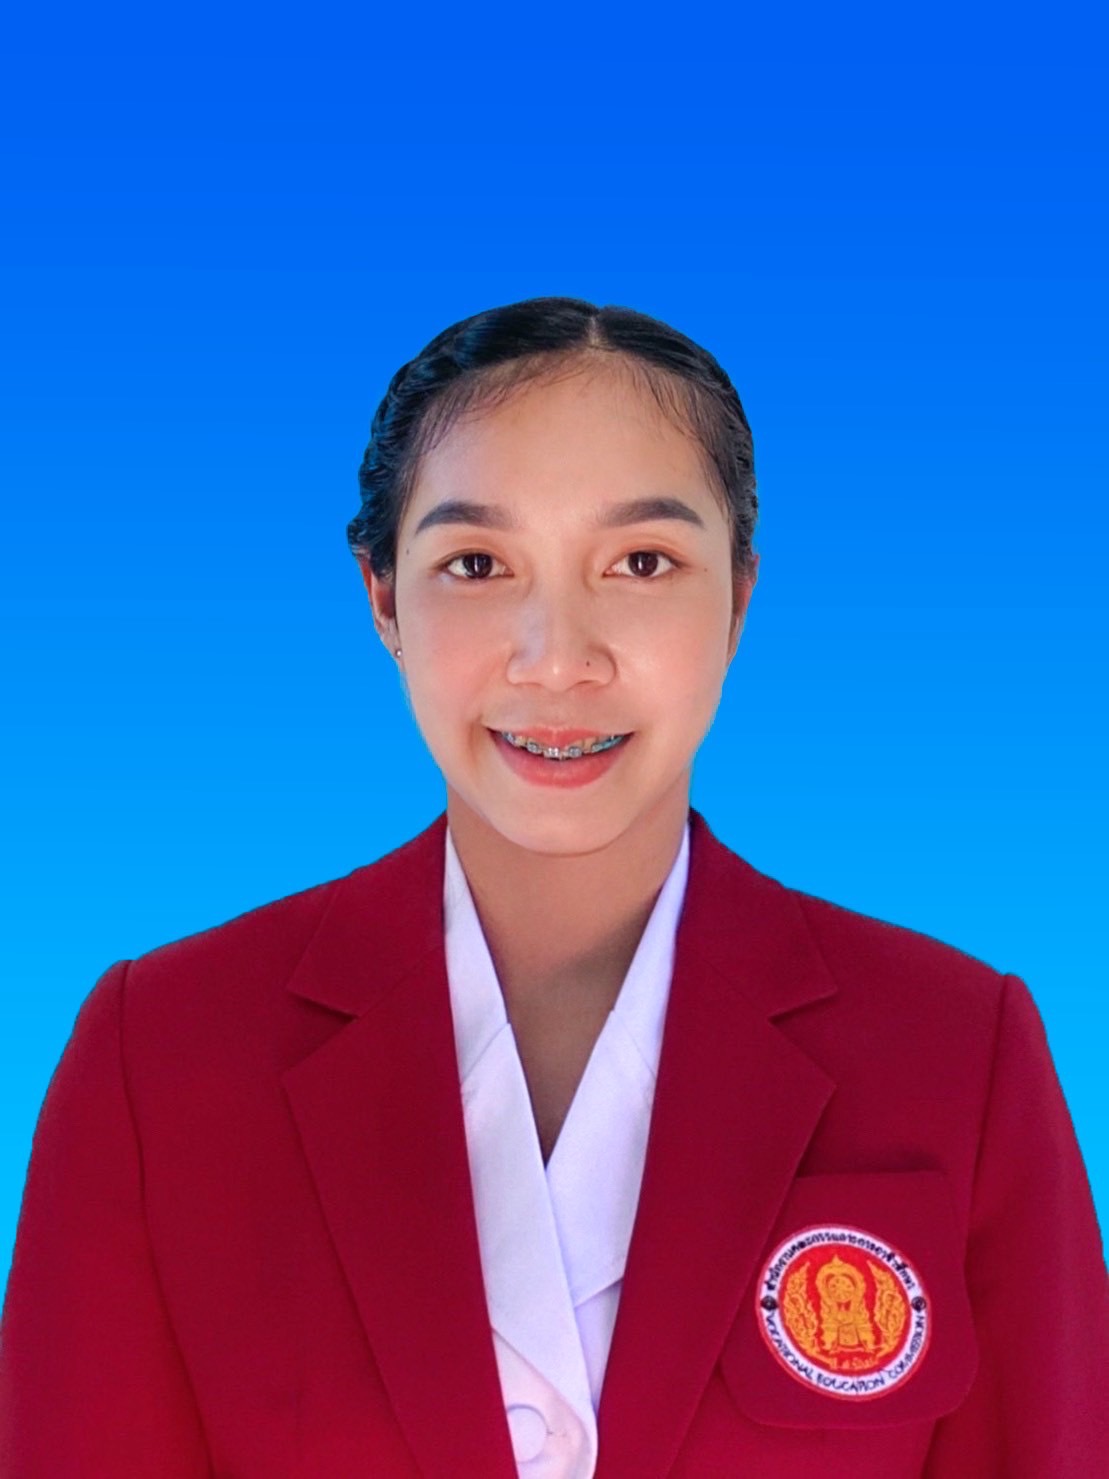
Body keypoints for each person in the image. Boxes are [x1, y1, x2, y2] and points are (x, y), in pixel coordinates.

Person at [0, 295, 1105, 1478]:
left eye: (641, 562)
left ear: (737, 596)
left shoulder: (955, 1052)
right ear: (383, 596)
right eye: (476, 564)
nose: (555, 657)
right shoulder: (162, 1054)